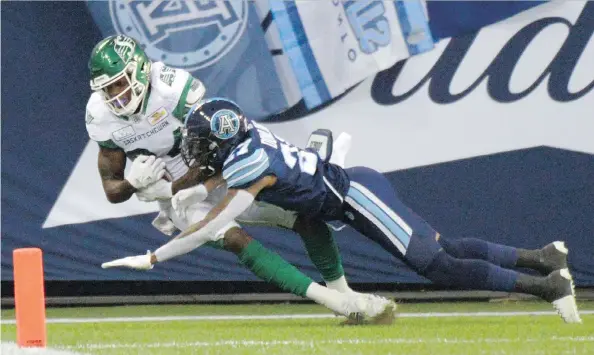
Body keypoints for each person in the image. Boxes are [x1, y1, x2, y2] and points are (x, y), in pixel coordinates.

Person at [120, 98, 581, 324]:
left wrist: (159, 255)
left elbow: (215, 220)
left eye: (202, 146)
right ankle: (543, 257)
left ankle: (546, 288)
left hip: (356, 197)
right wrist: (168, 188)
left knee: (437, 264)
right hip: (354, 187)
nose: (197, 155)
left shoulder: (249, 165)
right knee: (444, 247)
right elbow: (211, 177)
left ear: (223, 142)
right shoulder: (247, 145)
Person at [86, 34, 396, 324]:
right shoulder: (101, 117)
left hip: (217, 175)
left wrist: (167, 186)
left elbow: (214, 151)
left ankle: (344, 292)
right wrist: (133, 183)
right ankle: (334, 302)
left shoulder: (171, 88)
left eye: (119, 84)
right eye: (107, 89)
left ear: (140, 70)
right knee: (234, 238)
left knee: (306, 216)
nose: (115, 96)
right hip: (179, 202)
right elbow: (112, 190)